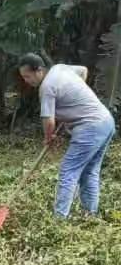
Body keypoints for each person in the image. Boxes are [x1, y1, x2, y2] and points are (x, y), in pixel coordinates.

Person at [19, 53, 115, 218]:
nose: (27, 81)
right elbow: (83, 71)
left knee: (68, 170)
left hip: (90, 127)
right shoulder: (60, 68)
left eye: (28, 76)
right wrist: (72, 98)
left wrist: (48, 138)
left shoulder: (46, 87)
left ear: (39, 70)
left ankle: (59, 218)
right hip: (106, 122)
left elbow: (49, 122)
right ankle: (90, 215)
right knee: (90, 171)